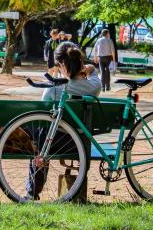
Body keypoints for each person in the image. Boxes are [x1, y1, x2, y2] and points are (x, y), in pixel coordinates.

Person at [27, 42, 102, 199]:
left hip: (54, 142)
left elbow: (42, 116)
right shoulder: (94, 86)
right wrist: (89, 68)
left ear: (61, 64)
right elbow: (94, 71)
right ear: (81, 63)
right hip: (80, 142)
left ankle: (32, 192)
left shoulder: (54, 89)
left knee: (39, 137)